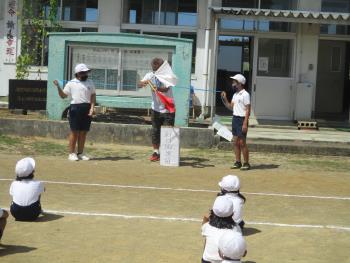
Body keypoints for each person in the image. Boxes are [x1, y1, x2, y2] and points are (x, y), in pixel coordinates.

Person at [53, 63, 96, 161]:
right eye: (83, 72)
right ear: (78, 73)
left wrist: (92, 108)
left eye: (86, 72)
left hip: (87, 108)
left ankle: (80, 153)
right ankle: (71, 153)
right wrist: (58, 87)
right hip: (75, 108)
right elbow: (63, 96)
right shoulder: (71, 83)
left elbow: (93, 95)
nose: (86, 74)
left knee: (83, 132)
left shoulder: (90, 82)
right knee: (74, 132)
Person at [138, 58, 175, 162]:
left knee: (168, 132)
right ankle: (156, 152)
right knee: (155, 131)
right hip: (155, 109)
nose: (154, 70)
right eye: (153, 68)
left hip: (168, 109)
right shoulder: (150, 75)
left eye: (157, 68)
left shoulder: (168, 76)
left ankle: (168, 153)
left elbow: (166, 88)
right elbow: (139, 84)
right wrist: (143, 84)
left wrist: (156, 88)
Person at [221, 74, 251, 170]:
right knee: (235, 142)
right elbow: (231, 107)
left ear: (240, 83)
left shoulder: (245, 94)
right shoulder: (235, 95)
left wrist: (245, 123)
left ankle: (246, 163)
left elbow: (248, 110)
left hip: (242, 119)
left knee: (242, 142)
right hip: (235, 119)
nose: (233, 82)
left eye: (235, 81)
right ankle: (238, 162)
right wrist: (225, 99)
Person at [201, 196, 241, 263]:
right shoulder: (236, 228)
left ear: (213, 212)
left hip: (207, 261)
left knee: (207, 239)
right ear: (232, 214)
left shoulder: (207, 226)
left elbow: (204, 228)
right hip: (227, 260)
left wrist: (205, 220)